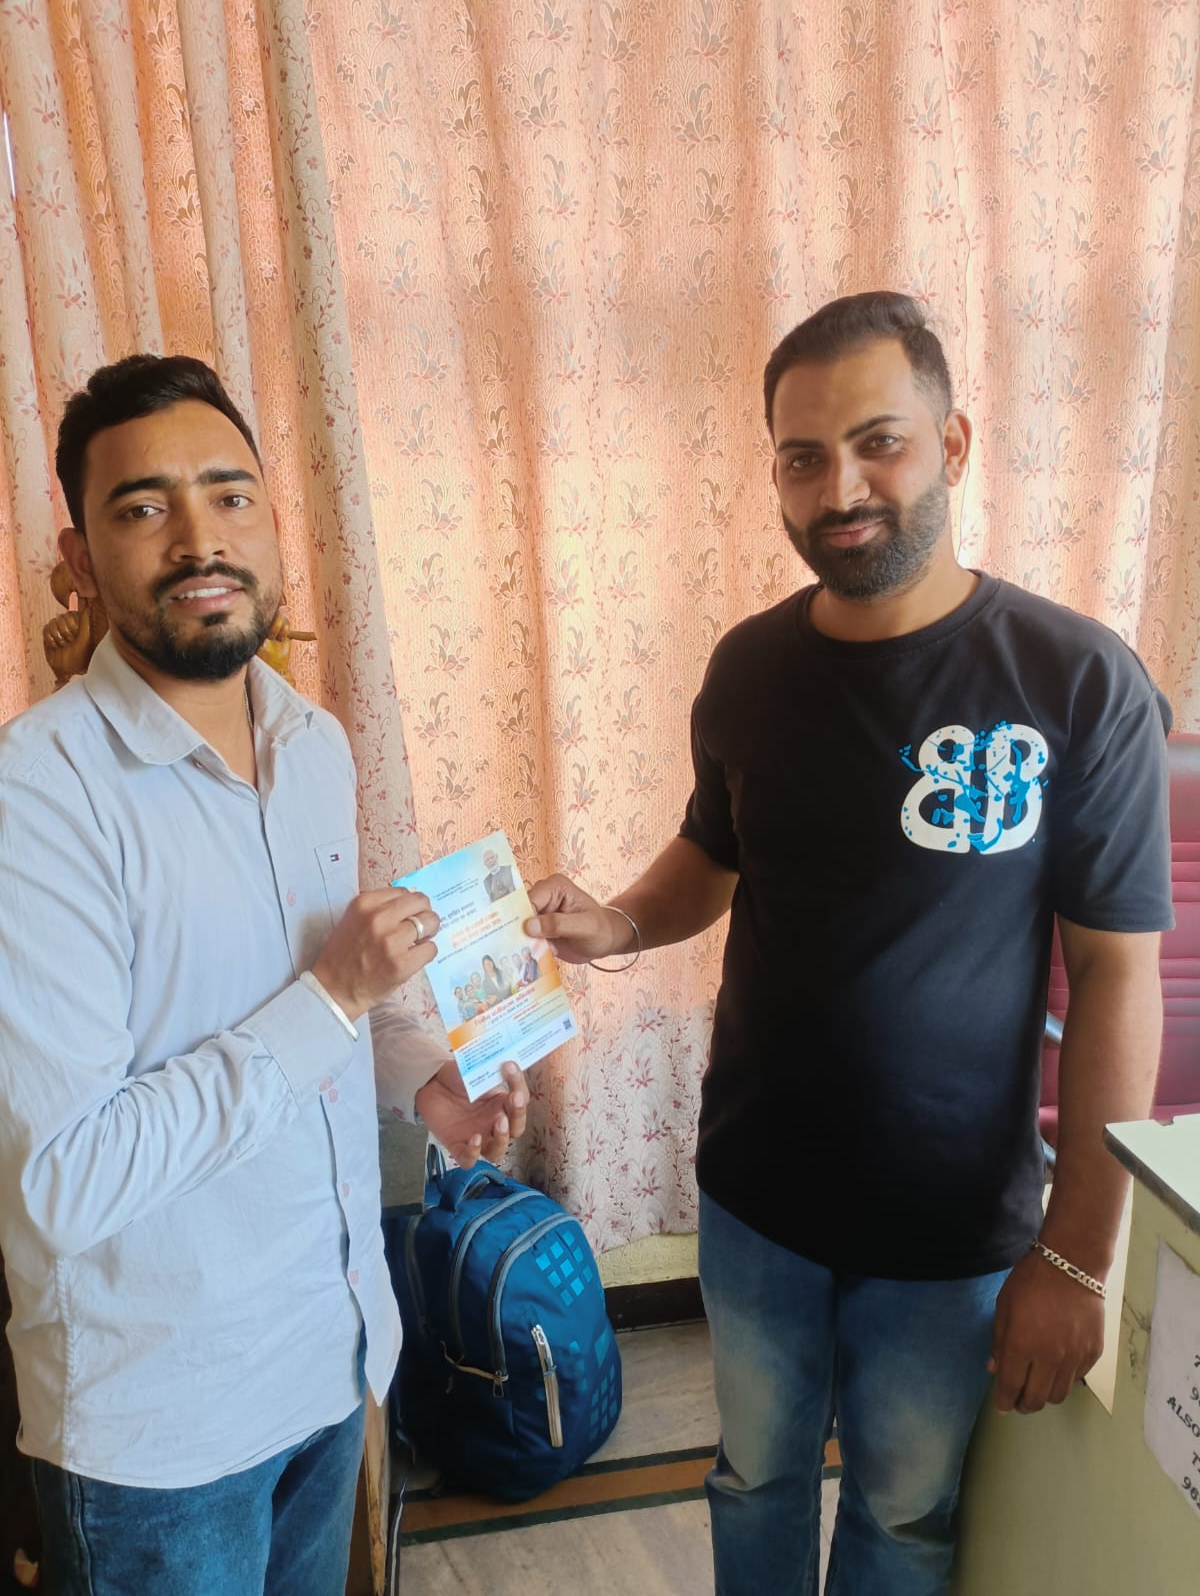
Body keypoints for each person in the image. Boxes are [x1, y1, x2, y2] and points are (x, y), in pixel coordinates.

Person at [526, 292, 1172, 1596]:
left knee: (905, 1512)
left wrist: (1076, 1255)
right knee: (754, 1476)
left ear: (953, 443)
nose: (842, 488)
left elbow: (1118, 974)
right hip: (756, 1195)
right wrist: (618, 921)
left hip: (952, 1225)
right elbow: (713, 853)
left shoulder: (1074, 680)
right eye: (804, 456)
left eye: (879, 443)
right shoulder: (749, 670)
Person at [0, 354, 528, 1596]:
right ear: (79, 558)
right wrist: (333, 996)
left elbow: (328, 999)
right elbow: (62, 1180)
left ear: (274, 523)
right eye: (144, 506)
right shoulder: (38, 796)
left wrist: (422, 1080)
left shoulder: (313, 741)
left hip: (330, 1355)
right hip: (163, 1432)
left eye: (230, 494)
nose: (200, 538)